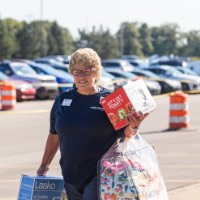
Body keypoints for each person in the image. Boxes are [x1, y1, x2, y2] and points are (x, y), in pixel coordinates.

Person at [37, 48, 148, 200]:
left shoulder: (110, 100)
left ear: (96, 73)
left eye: (86, 71)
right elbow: (54, 135)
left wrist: (134, 125)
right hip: (70, 176)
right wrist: (44, 165)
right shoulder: (62, 100)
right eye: (76, 72)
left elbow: (126, 134)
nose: (81, 76)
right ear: (71, 72)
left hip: (101, 176)